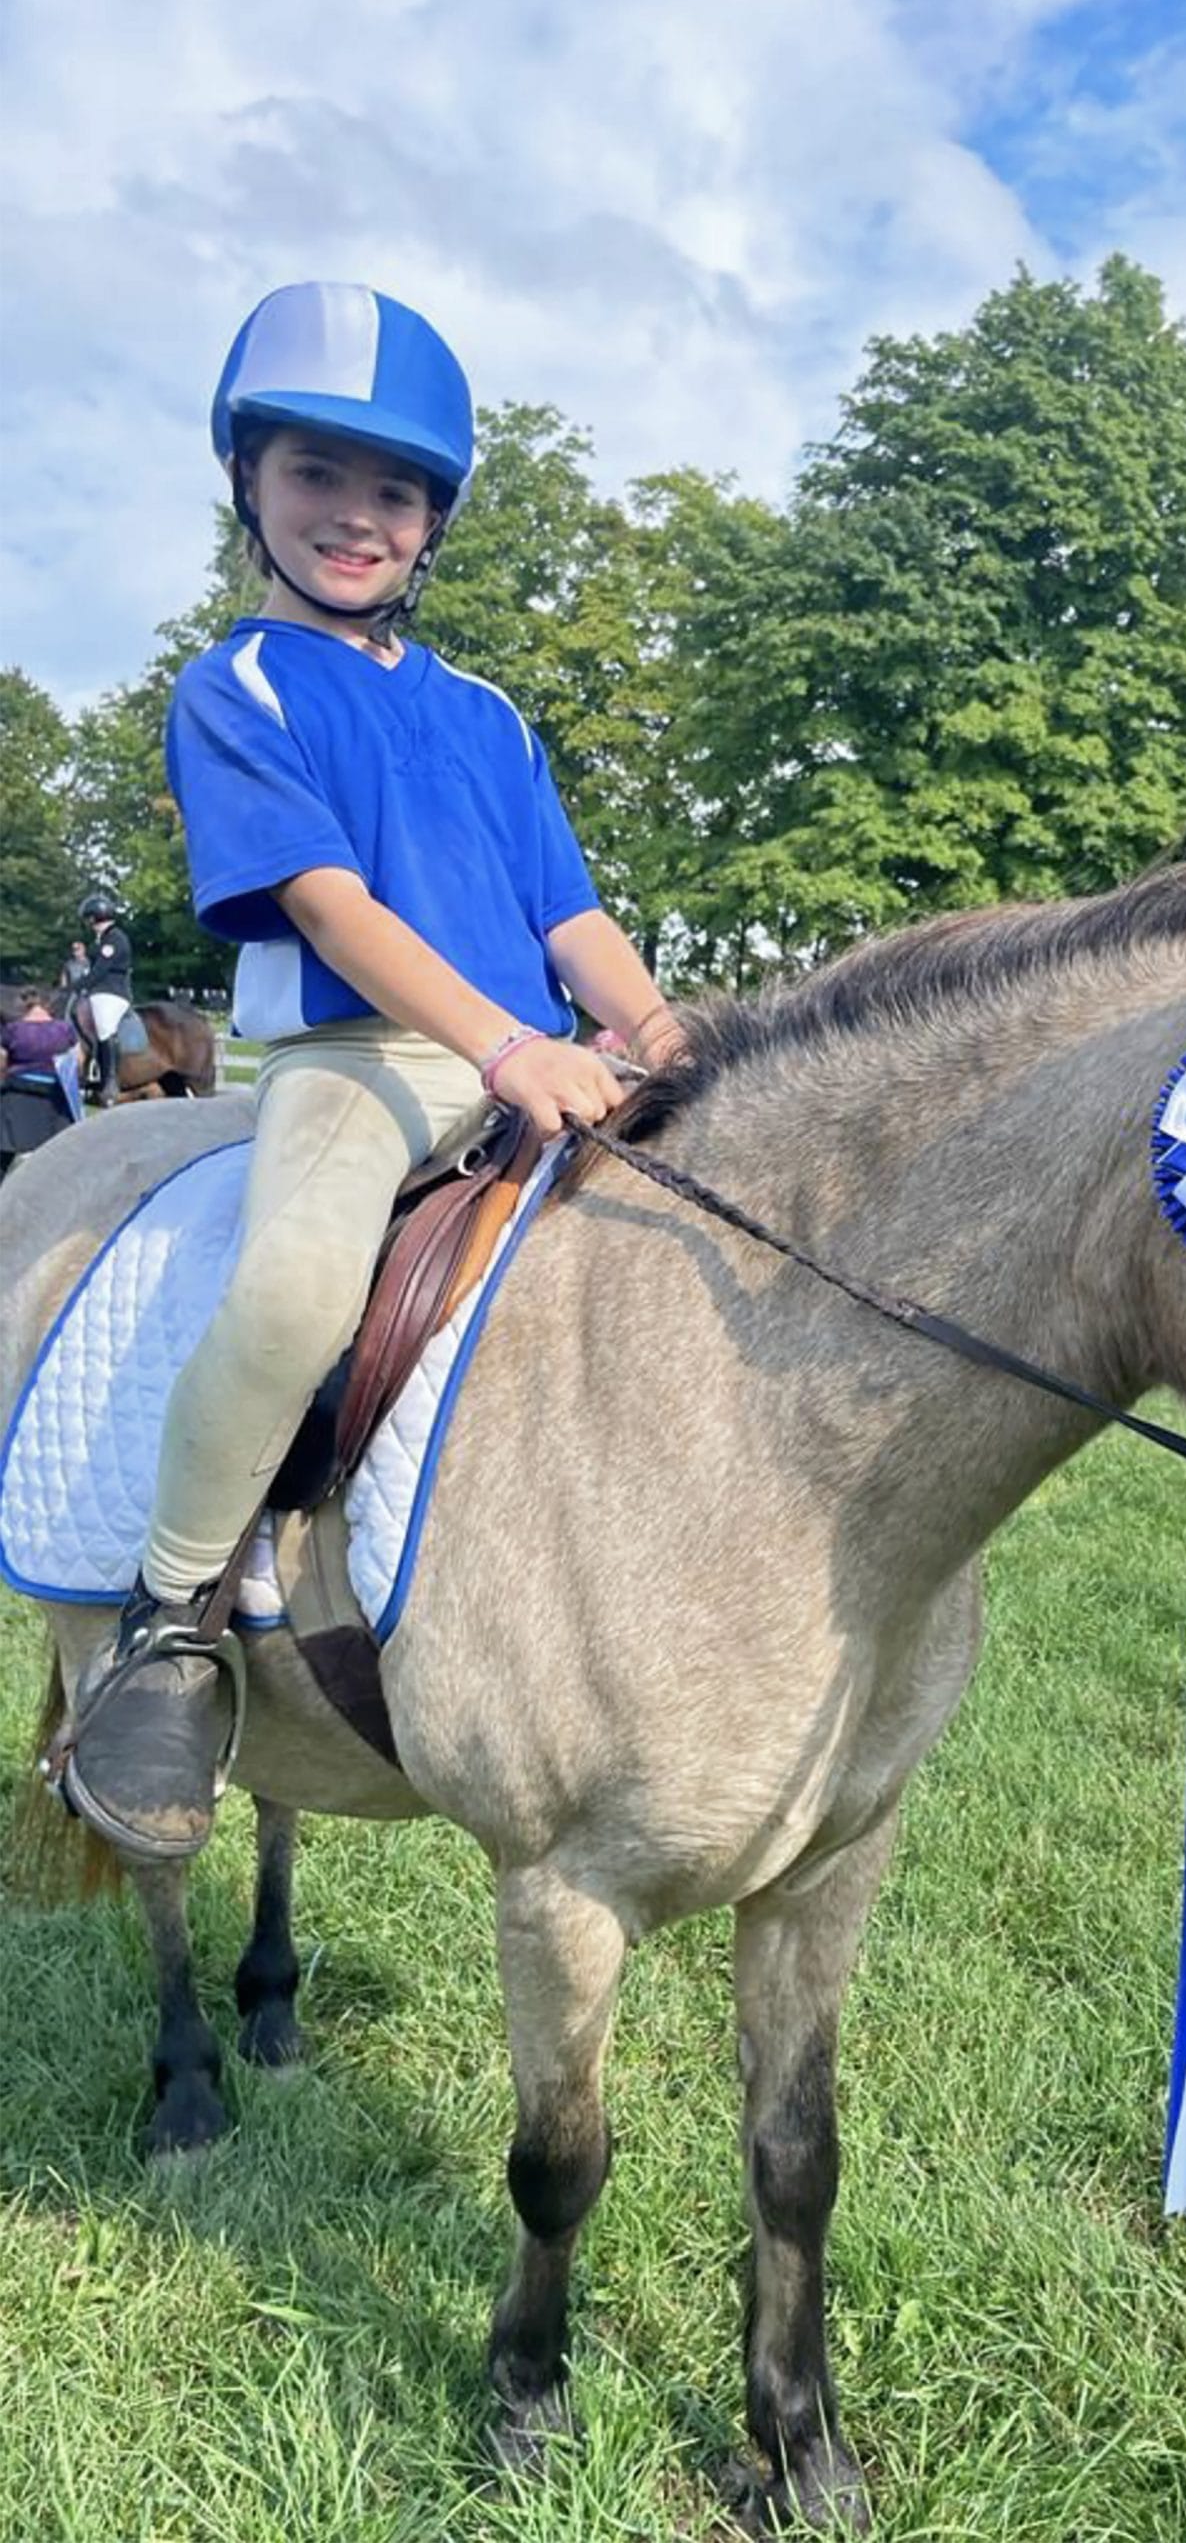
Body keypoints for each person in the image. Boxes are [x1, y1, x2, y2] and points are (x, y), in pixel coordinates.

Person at [53, 281, 690, 1864]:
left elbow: (570, 912)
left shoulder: (485, 716)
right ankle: (168, 1620)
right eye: (315, 475)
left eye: (391, 488)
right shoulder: (240, 687)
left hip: (541, 1054)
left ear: (433, 522)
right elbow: (331, 902)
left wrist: (670, 1037)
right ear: (247, 488)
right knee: (287, 1289)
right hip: (363, 1059)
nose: (355, 515)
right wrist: (502, 1041)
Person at [0, 986, 83, 1179]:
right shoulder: (65, 1029)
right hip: (55, 1101)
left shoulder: (13, 1031)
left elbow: (1, 1062)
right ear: (48, 1005)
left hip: (17, 1100)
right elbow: (77, 1063)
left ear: (23, 1006)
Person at [79, 896, 135, 1104]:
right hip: (101, 990)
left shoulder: (114, 938)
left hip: (112, 993)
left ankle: (110, 1081)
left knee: (105, 1028)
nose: (88, 923)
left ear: (96, 917)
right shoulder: (103, 938)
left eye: (89, 919)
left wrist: (76, 986)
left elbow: (100, 970)